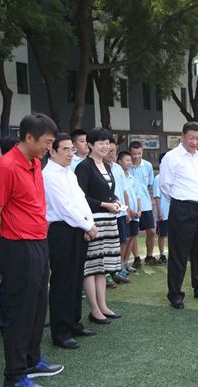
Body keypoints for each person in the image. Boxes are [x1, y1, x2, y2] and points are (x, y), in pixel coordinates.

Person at [0, 113, 64, 387]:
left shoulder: (34, 162)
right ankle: (14, 378)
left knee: (36, 306)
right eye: (47, 142)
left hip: (38, 242)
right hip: (16, 245)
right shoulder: (6, 167)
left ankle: (32, 362)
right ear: (28, 138)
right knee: (20, 311)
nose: (49, 147)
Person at [43, 135, 98, 350]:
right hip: (61, 231)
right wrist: (87, 226)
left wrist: (88, 224)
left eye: (72, 149)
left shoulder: (69, 173)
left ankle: (74, 323)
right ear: (52, 151)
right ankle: (61, 331)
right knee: (63, 283)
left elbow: (81, 200)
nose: (70, 153)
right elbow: (64, 207)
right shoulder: (48, 175)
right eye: (65, 149)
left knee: (76, 279)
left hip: (79, 229)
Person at [159, 122, 198, 309]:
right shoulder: (171, 157)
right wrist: (182, 202)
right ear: (183, 136)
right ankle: (175, 294)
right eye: (191, 138)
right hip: (182, 208)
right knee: (179, 252)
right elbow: (165, 186)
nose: (195, 142)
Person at [75, 128, 122, 324]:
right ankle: (94, 310)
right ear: (90, 145)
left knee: (102, 266)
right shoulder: (84, 167)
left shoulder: (108, 166)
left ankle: (103, 306)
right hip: (93, 221)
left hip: (109, 220)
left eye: (107, 142)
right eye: (100, 142)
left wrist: (116, 201)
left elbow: (108, 192)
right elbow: (81, 197)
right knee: (91, 266)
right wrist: (105, 205)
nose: (105, 146)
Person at [105, 139, 131, 283]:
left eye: (113, 151)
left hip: (120, 212)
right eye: (108, 151)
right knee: (109, 243)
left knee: (122, 240)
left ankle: (118, 268)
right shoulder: (99, 167)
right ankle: (107, 273)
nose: (111, 154)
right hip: (107, 213)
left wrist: (126, 210)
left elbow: (124, 191)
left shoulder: (118, 168)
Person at [129, 141, 157, 266]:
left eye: (139, 153)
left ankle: (149, 256)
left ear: (142, 152)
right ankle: (136, 258)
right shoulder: (126, 165)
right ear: (130, 153)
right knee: (133, 233)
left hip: (145, 204)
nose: (136, 156)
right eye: (134, 153)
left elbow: (149, 184)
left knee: (151, 231)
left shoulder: (148, 165)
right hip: (131, 204)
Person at [118, 151, 141, 272]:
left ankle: (126, 262)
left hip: (135, 213)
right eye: (126, 160)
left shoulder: (132, 177)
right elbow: (122, 195)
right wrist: (129, 210)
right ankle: (120, 264)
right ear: (120, 162)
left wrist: (139, 210)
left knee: (132, 237)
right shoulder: (119, 176)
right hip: (126, 212)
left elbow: (138, 195)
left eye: (130, 160)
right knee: (125, 239)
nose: (129, 162)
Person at [152, 153, 168, 265]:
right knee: (162, 234)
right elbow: (157, 196)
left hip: (175, 212)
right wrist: (159, 211)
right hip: (163, 211)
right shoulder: (158, 178)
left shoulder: (174, 176)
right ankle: (162, 254)